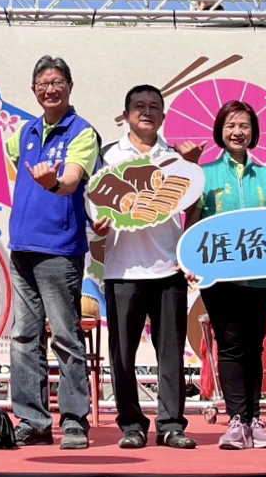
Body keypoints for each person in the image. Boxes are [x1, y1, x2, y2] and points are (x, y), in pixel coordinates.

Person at [93, 84, 201, 450]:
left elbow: (194, 208)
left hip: (169, 267)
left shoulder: (177, 157)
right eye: (139, 106)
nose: (147, 112)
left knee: (170, 351)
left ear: (163, 116)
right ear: (125, 115)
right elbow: (91, 204)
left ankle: (171, 424)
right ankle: (131, 424)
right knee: (122, 354)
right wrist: (97, 225)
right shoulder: (108, 156)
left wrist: (189, 253)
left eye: (155, 106)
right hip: (122, 268)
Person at [1, 56, 98, 450]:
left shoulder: (83, 132)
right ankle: (33, 420)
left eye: (57, 82)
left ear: (70, 87)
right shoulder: (26, 131)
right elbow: (13, 165)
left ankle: (74, 421)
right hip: (21, 247)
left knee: (66, 336)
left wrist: (54, 181)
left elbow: (72, 182)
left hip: (58, 249)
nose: (50, 89)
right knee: (24, 337)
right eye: (43, 83)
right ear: (33, 90)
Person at [186, 99, 266, 450]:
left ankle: (255, 419)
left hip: (261, 273)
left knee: (254, 345)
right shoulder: (205, 173)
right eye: (230, 126)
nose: (237, 132)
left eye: (243, 125)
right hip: (218, 275)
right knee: (231, 344)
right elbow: (192, 221)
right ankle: (237, 420)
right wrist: (188, 256)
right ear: (220, 132)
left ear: (253, 131)